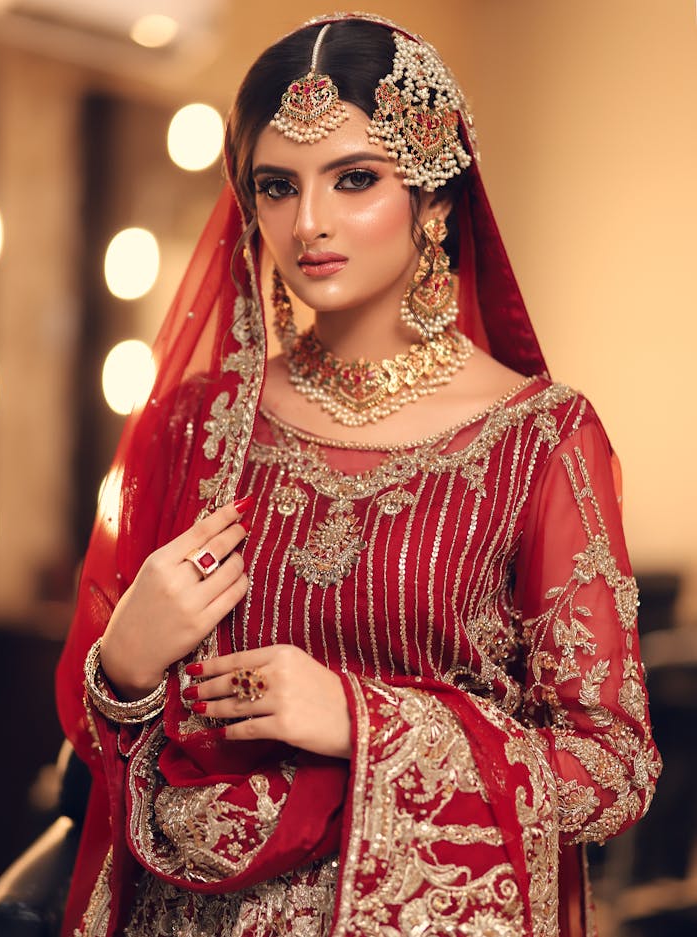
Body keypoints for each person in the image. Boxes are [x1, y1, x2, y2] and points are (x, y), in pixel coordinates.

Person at [56, 13, 661, 937]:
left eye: (355, 179)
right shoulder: (199, 424)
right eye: (276, 186)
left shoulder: (539, 439)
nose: (310, 224)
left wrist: (355, 714)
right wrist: (125, 669)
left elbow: (612, 771)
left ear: (435, 198)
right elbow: (116, 745)